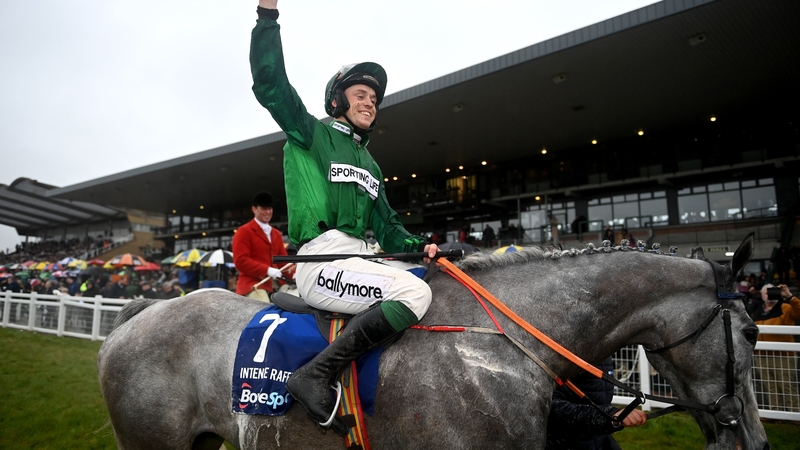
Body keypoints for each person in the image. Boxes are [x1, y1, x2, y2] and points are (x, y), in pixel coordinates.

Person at [250, 0, 439, 434]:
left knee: (433, 281)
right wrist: (267, 16)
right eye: (360, 95)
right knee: (414, 296)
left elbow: (389, 227)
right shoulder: (310, 133)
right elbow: (270, 84)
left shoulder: (371, 165)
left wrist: (421, 245)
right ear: (337, 100)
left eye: (374, 98)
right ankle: (315, 374)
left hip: (363, 259)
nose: (369, 103)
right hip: (322, 263)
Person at [546, 358, 647, 449]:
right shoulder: (568, 355)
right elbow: (551, 407)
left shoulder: (605, 357)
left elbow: (601, 406)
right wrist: (609, 416)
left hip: (598, 441)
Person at [749, 283, 800, 411]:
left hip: (783, 355)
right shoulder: (756, 310)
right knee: (769, 385)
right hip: (761, 355)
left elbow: (798, 311)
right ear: (761, 295)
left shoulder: (786, 308)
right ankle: (775, 411)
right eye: (766, 292)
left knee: (787, 385)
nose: (769, 295)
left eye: (772, 292)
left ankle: (794, 412)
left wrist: (789, 296)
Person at [232, 191, 291, 298]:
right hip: (253, 285)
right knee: (265, 310)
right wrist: (267, 270)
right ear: (254, 209)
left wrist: (295, 273)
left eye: (270, 209)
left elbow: (283, 262)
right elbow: (241, 261)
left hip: (276, 285)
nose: (268, 212)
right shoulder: (243, 231)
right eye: (264, 209)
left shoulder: (276, 233)